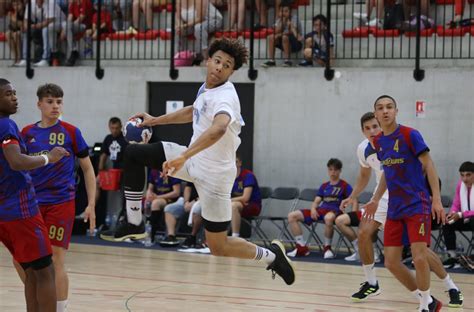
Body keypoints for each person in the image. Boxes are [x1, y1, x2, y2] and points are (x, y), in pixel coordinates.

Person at [101, 38, 295, 285]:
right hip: (194, 161)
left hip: (214, 176)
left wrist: (184, 155)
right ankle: (134, 222)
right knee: (133, 153)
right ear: (208, 60)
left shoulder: (226, 97)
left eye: (226, 65)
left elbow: (219, 128)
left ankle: (271, 256)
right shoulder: (207, 89)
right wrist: (154, 120)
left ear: (231, 72)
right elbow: (193, 110)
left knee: (219, 246)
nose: (219, 67)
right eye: (217, 61)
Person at [341, 112, 463, 308]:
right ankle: (373, 282)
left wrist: (433, 197)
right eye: (367, 128)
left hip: (408, 199)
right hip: (382, 199)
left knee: (420, 252)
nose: (372, 131)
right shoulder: (363, 149)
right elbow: (365, 176)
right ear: (362, 131)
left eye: (375, 126)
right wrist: (354, 195)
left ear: (381, 124)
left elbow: (425, 166)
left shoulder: (400, 138)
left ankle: (450, 286)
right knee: (364, 233)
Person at [17, 83, 96, 312]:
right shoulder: (26, 133)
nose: (55, 106)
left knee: (55, 259)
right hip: (31, 205)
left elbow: (88, 169)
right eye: (50, 102)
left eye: (59, 101)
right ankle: (43, 295)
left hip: (60, 203)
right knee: (21, 259)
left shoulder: (71, 132)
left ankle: (59, 308)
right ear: (39, 104)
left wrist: (91, 203)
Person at [364, 95, 445, 312]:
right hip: (395, 208)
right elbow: (385, 175)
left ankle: (424, 306)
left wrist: (436, 199)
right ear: (376, 114)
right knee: (391, 262)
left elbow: (429, 164)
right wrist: (374, 200)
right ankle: (430, 301)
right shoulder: (379, 142)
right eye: (380, 108)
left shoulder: (410, 135)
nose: (385, 111)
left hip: (417, 204)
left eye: (389, 107)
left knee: (419, 256)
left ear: (396, 111)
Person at [0, 78, 69, 311]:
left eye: (15, 92)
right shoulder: (6, 126)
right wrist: (49, 157)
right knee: (46, 269)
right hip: (20, 209)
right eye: (8, 94)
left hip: (5, 213)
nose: (14, 97)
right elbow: (17, 161)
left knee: (31, 270)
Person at [287, 158, 353, 259]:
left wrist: (350, 212)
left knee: (328, 218)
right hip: (321, 210)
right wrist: (313, 209)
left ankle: (327, 248)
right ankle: (301, 247)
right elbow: (316, 201)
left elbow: (353, 199)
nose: (333, 172)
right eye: (330, 169)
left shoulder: (345, 185)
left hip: (335, 211)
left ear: (340, 171)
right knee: (292, 216)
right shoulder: (324, 186)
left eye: (335, 170)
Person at [443, 161, 474, 267]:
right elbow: (456, 204)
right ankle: (452, 255)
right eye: (462, 175)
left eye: (468, 175)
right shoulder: (460, 185)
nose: (465, 179)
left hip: (471, 219)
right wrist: (452, 214)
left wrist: (460, 215)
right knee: (447, 222)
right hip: (466, 218)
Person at [18, 0, 67, 67]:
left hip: (60, 25)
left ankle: (45, 59)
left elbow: (50, 20)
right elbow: (26, 20)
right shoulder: (30, 4)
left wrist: (35, 26)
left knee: (46, 29)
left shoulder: (51, 2)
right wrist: (27, 27)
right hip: (43, 25)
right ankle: (25, 59)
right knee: (26, 32)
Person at [262, 1, 303, 67]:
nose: (283, 13)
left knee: (284, 37)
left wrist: (279, 35)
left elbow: (291, 31)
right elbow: (276, 31)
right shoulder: (279, 20)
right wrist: (283, 21)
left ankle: (287, 61)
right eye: (281, 11)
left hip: (295, 42)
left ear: (290, 11)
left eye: (286, 11)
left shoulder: (294, 18)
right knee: (271, 37)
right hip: (284, 42)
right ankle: (271, 61)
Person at [146, 169, 181, 242]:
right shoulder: (154, 171)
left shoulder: (173, 171)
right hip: (157, 197)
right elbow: (150, 188)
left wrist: (157, 197)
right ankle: (146, 232)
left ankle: (152, 234)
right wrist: (149, 195)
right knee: (148, 203)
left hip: (171, 199)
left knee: (156, 203)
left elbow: (176, 192)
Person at [231, 154, 262, 237]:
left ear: (240, 163)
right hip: (239, 205)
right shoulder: (229, 177)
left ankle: (235, 237)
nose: (233, 164)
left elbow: (245, 198)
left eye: (235, 162)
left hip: (252, 206)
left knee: (233, 205)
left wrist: (228, 201)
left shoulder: (248, 175)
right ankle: (215, 239)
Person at [161, 182, 199, 246]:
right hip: (187, 201)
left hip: (201, 201)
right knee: (169, 208)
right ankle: (171, 236)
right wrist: (186, 202)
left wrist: (195, 201)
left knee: (197, 209)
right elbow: (188, 188)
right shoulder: (194, 173)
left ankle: (193, 237)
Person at [65, 0, 93, 66]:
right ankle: (73, 50)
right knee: (66, 25)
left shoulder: (85, 1)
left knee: (67, 26)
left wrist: (69, 27)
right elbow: (70, 17)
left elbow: (82, 17)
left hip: (85, 26)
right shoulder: (73, 4)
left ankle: (73, 52)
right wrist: (66, 28)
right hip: (77, 25)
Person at [6, 0, 24, 66]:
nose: (16, 7)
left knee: (16, 34)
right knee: (8, 34)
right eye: (14, 5)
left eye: (18, 4)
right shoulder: (12, 13)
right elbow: (12, 26)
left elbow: (22, 25)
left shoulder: (24, 12)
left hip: (23, 32)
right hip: (15, 31)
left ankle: (19, 58)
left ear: (22, 4)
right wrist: (13, 19)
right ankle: (15, 57)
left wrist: (13, 18)